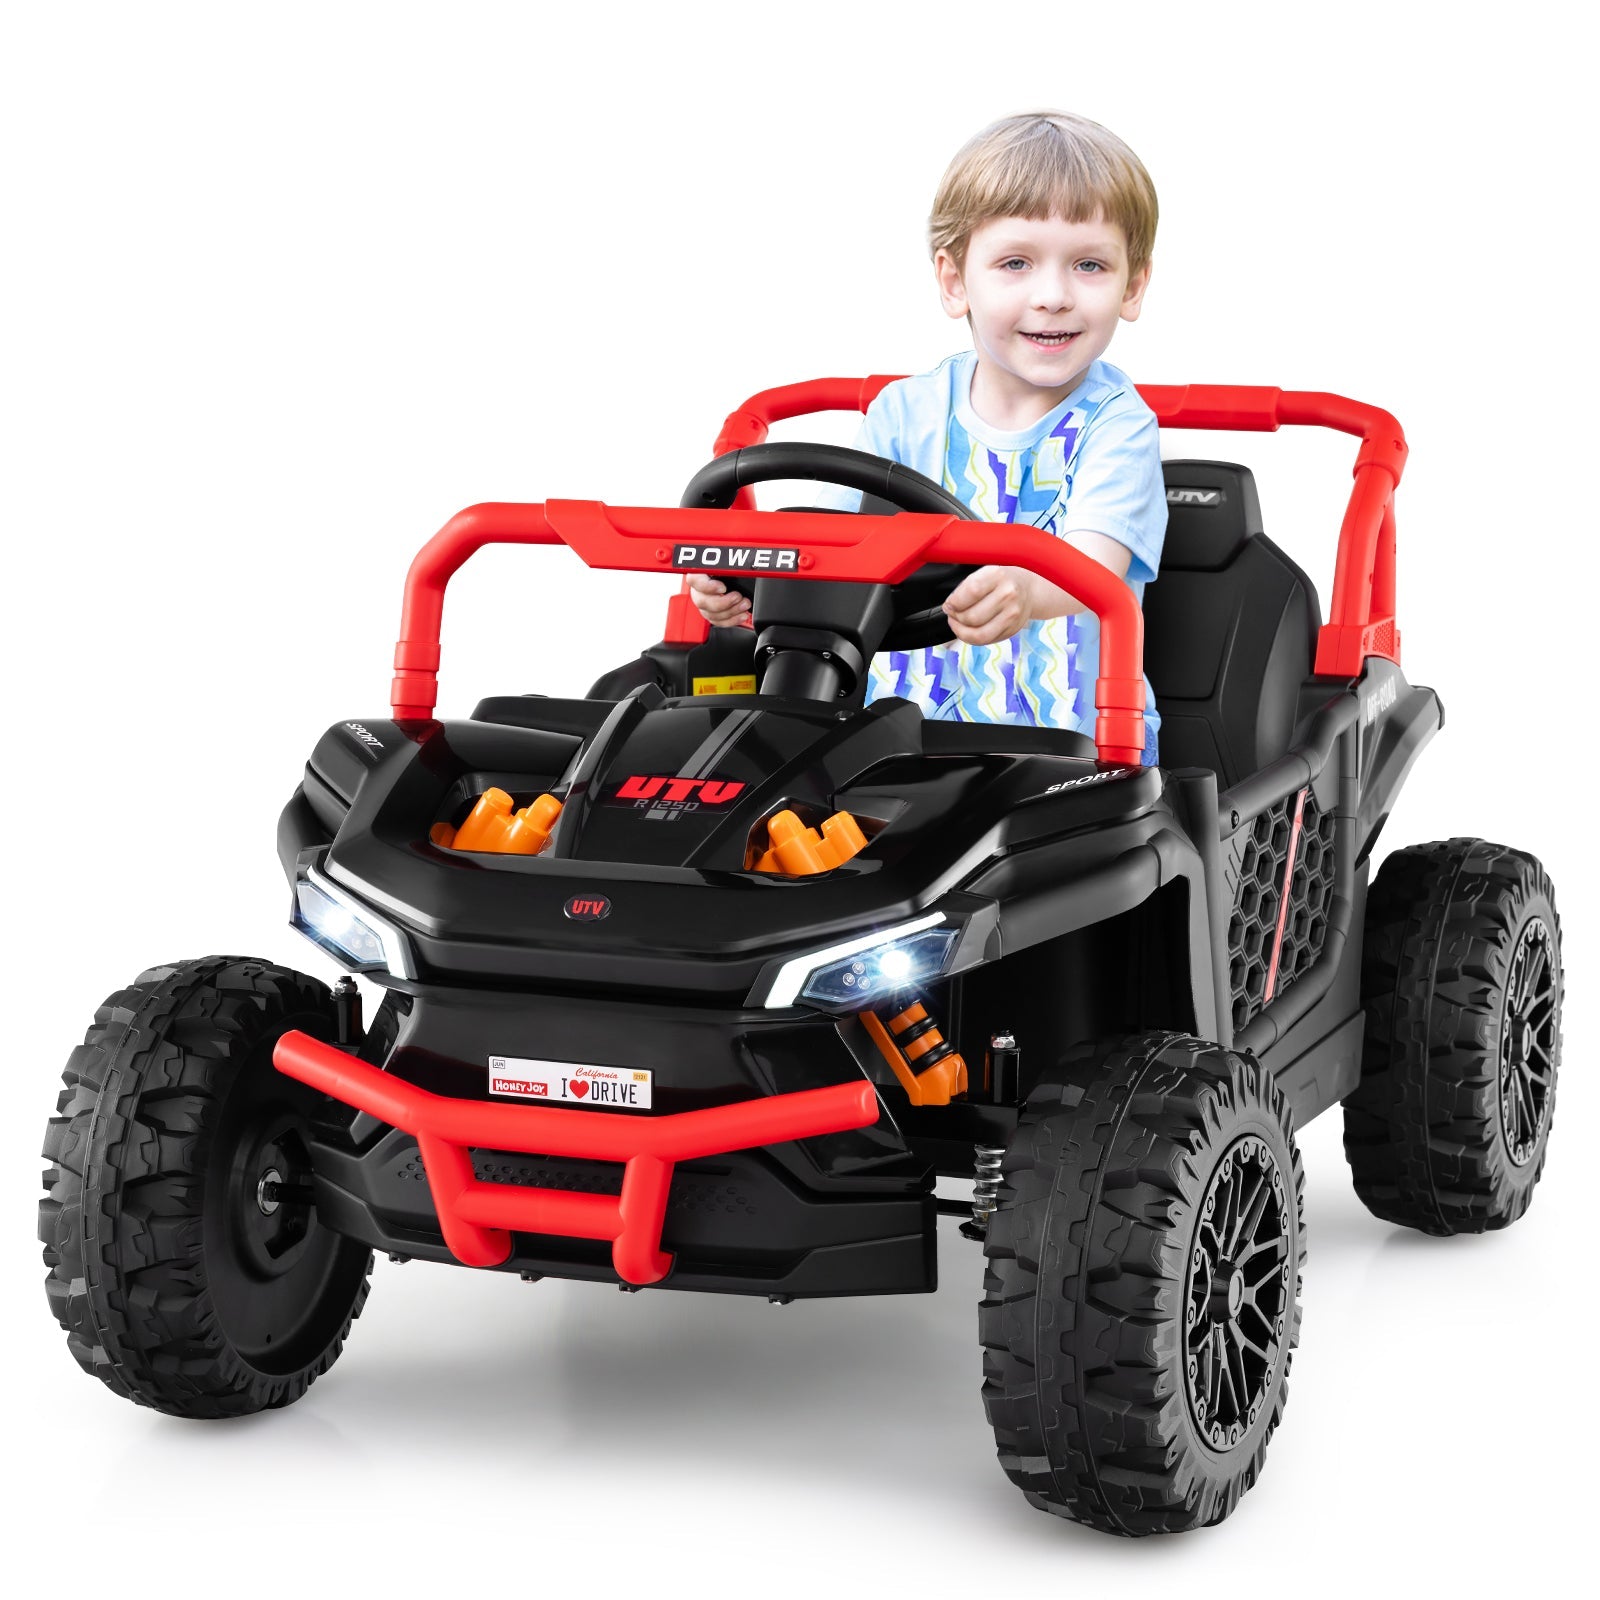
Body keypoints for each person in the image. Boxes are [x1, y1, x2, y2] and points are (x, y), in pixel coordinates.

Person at [690, 110, 1166, 762]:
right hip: (898, 742)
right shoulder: (904, 414)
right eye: (1016, 263)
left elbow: (1094, 567)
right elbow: (822, 549)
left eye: (1089, 265)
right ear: (954, 281)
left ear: (1132, 287)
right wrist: (746, 583)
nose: (1053, 295)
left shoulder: (1119, 425)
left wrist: (1030, 591)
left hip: (1072, 751)